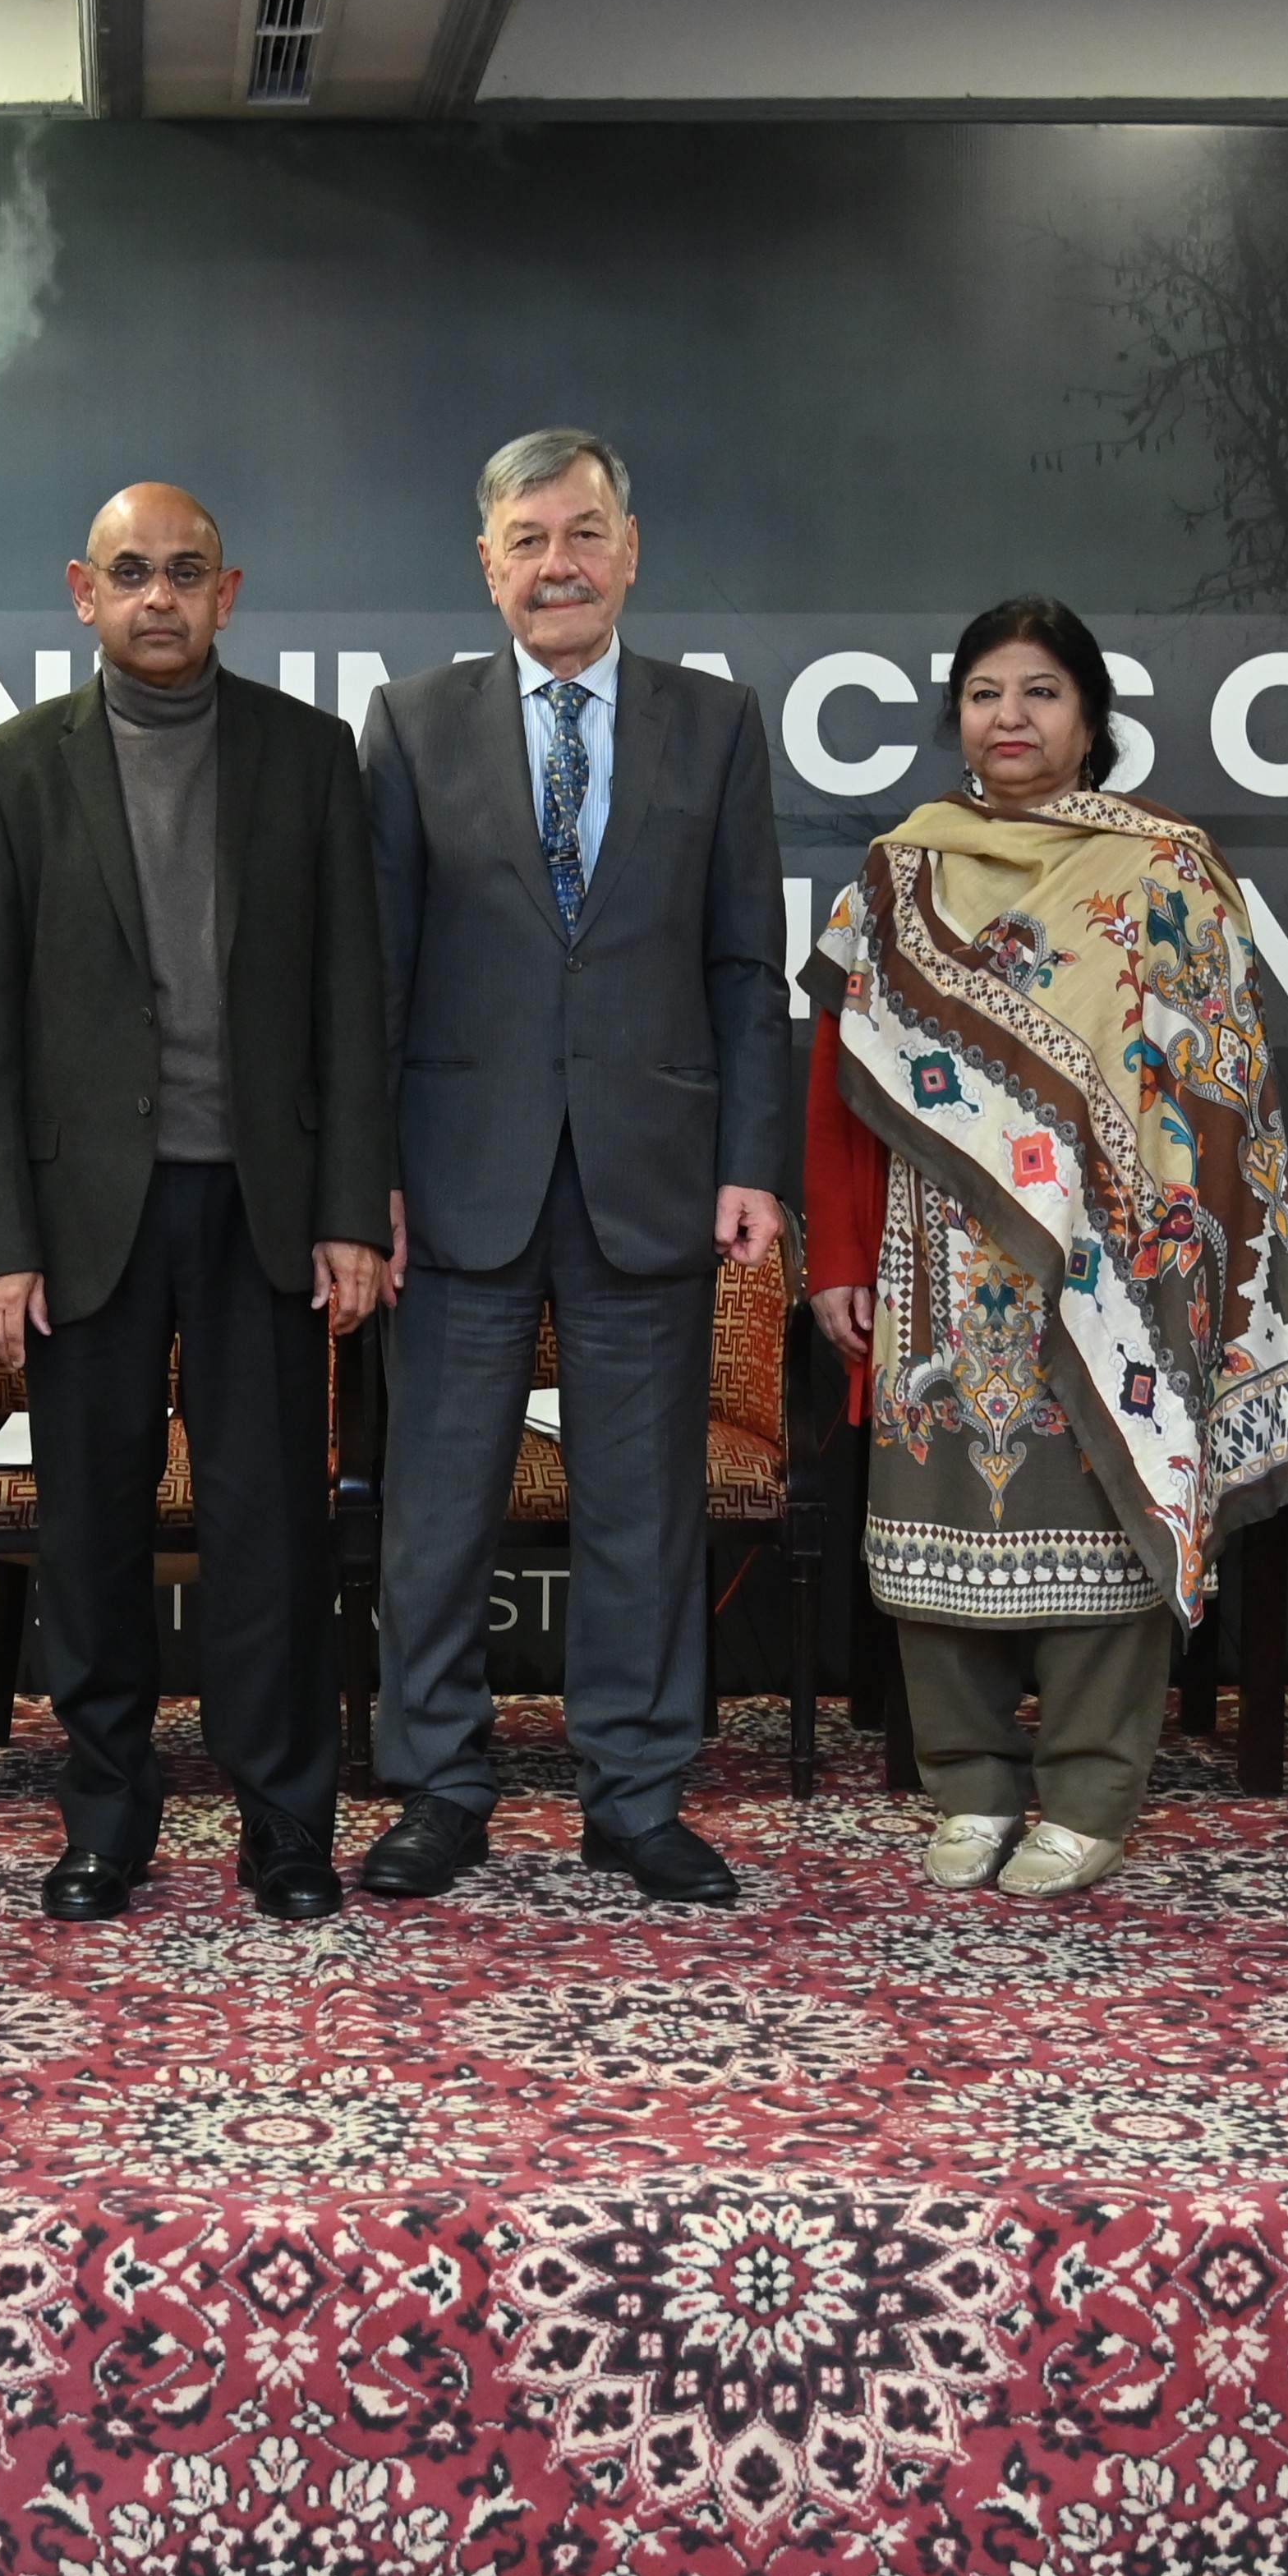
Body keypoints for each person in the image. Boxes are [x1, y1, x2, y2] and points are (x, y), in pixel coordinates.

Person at [806, 598, 1288, 1899]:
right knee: (941, 1515)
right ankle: (968, 1784)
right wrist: (841, 1257)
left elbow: (1226, 1082)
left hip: (1116, 1263)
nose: (1011, 718)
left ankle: (1092, 1794)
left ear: (1091, 718)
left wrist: (1192, 1251)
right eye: (985, 693)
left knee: (1103, 1506)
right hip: (937, 1257)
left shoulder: (1165, 869)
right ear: (956, 718)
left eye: (1040, 692)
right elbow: (838, 1085)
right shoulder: (900, 871)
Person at [0, 483, 393, 1924]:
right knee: (89, 1533)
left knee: (274, 1531)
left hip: (263, 1209)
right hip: (85, 1223)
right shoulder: (8, 772)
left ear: (229, 589)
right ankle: (107, 1820)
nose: (158, 597)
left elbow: (351, 1005)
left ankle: (285, 1824)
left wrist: (350, 1211)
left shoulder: (311, 757)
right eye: (130, 573)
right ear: (83, 589)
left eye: (184, 573)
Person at [356, 430, 793, 1907]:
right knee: (437, 1505)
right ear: (488, 565)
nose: (560, 563)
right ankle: (439, 1785)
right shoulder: (410, 726)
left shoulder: (718, 724)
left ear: (631, 549)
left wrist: (752, 1162)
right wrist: (373, 1177)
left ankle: (638, 1793)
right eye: (530, 539)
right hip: (456, 1175)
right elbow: (379, 977)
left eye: (585, 533)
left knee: (643, 1508)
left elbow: (746, 965)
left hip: (652, 1172)